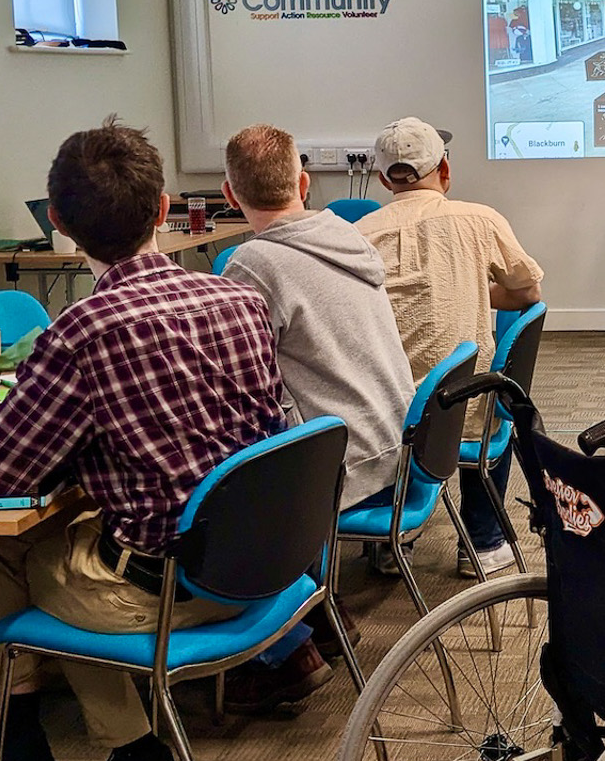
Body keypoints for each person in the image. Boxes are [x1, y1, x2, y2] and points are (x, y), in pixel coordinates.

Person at [0, 120, 291, 761]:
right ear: (164, 209)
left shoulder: (83, 332)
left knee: (14, 550)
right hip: (263, 567)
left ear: (59, 225)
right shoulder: (241, 302)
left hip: (165, 597)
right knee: (58, 537)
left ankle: (73, 757)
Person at [216, 123, 412, 712]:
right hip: (394, 440)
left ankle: (288, 642)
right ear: (304, 182)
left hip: (340, 465)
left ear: (230, 196)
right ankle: (317, 612)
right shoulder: (347, 235)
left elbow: (235, 386)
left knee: (215, 485)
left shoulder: (252, 265)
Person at [356, 117, 543, 577]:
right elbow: (528, 293)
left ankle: (387, 537)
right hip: (461, 412)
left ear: (383, 179)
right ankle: (483, 541)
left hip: (388, 422)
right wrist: (476, 291)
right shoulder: (480, 220)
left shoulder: (358, 235)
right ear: (445, 169)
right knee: (488, 395)